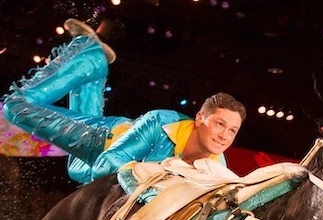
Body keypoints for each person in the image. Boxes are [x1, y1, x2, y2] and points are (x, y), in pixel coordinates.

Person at [3, 18, 246, 184]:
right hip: (99, 139)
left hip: (101, 161)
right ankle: (87, 54)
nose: (224, 135)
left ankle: (94, 65)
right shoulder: (162, 122)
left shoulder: (218, 169)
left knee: (76, 170)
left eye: (232, 130)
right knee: (14, 107)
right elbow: (107, 164)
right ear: (200, 118)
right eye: (220, 124)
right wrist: (147, 177)